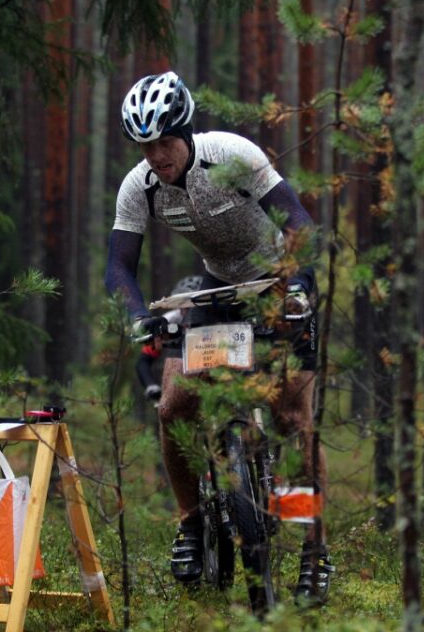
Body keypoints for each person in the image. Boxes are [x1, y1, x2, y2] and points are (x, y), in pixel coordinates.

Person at [105, 71, 333, 605]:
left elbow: (297, 220)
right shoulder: (140, 187)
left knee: (292, 419)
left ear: (185, 131)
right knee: (174, 405)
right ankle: (190, 524)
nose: (157, 155)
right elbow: (118, 264)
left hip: (281, 280)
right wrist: (139, 315)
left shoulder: (230, 154)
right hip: (219, 289)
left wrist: (297, 282)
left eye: (165, 141)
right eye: (146, 146)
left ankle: (313, 549)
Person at [135, 275, 202, 405]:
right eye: (186, 306)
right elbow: (143, 361)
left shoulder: (216, 317)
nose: (190, 311)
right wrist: (151, 385)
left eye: (196, 306)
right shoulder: (170, 320)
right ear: (179, 306)